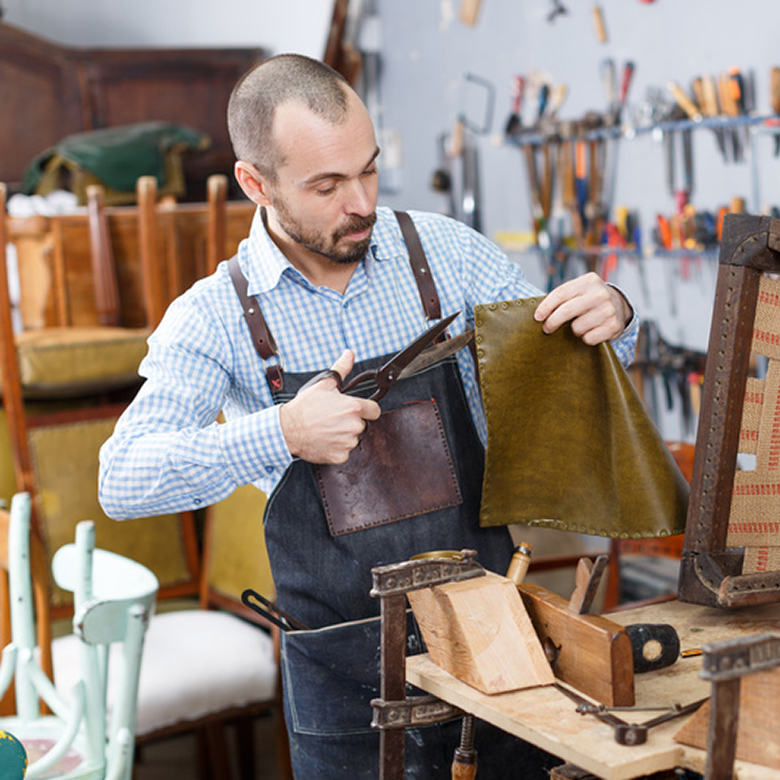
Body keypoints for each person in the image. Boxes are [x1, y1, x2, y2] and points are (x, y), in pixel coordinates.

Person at [99, 54, 637, 778]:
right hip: (343, 665)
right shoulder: (213, 317)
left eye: (369, 170)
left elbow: (571, 367)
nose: (360, 202)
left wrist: (615, 317)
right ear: (255, 183)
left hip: (488, 635)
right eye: (326, 184)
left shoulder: (443, 253)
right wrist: (282, 431)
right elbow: (123, 481)